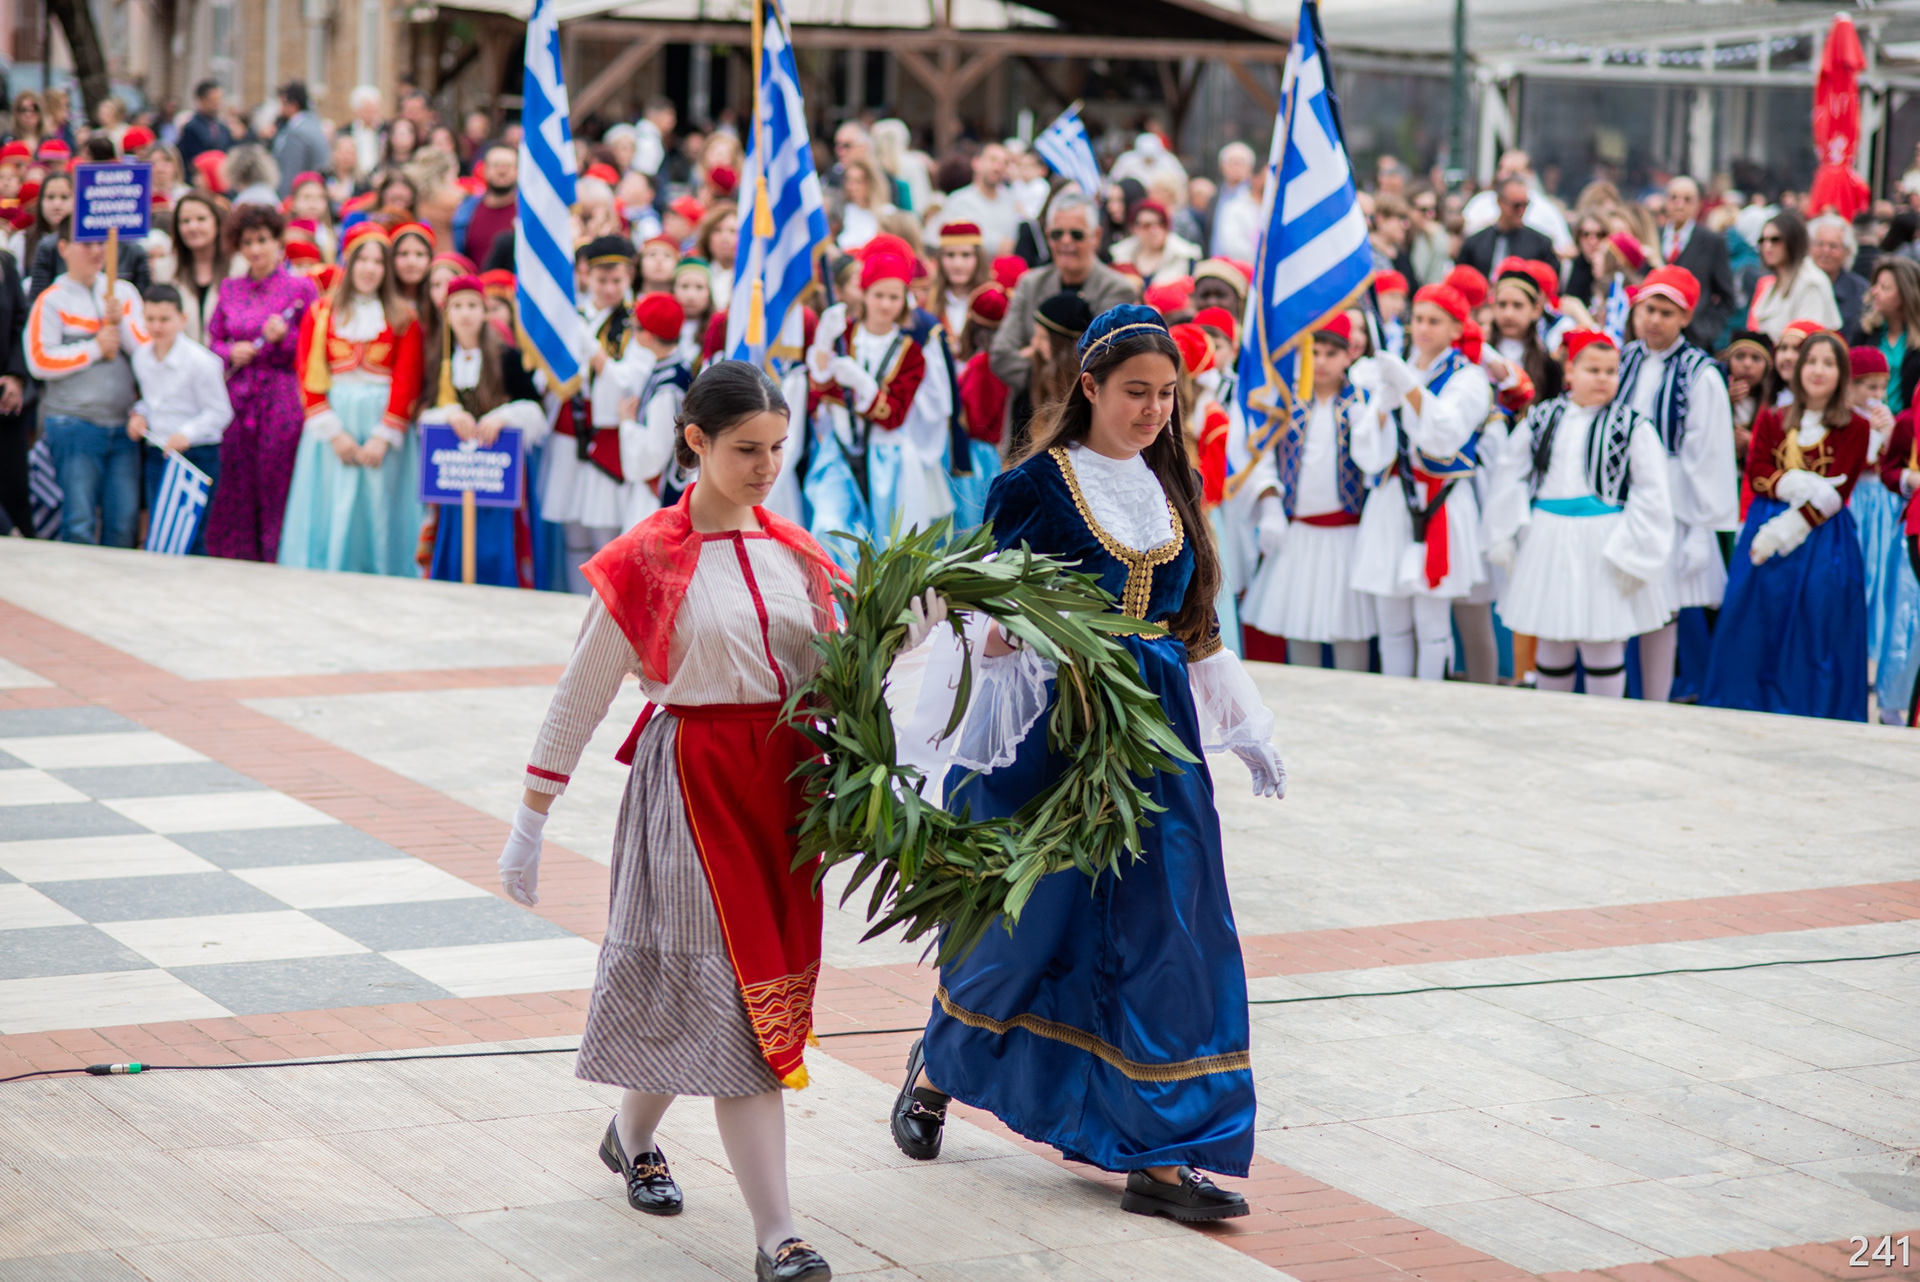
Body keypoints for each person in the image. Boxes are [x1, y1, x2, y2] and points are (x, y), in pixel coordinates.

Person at [888, 304, 1282, 1223]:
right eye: (1136, 392)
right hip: (1053, 733)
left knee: (1169, 935)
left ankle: (1162, 1153)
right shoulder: (1034, 485)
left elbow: (1193, 622)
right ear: (1090, 386)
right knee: (1026, 927)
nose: (1153, 411)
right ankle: (939, 1065)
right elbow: (987, 608)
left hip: (1155, 740)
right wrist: (1001, 639)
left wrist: (1246, 722)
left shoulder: (1172, 482)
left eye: (1167, 394)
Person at [501, 360, 842, 1282]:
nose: (767, 467)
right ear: (695, 440)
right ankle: (778, 1237)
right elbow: (581, 693)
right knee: (726, 997)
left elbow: (841, 674)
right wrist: (531, 819)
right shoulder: (646, 557)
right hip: (693, 784)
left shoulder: (797, 552)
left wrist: (927, 634)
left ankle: (629, 1133)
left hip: (784, 787)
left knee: (720, 994)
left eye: (778, 448)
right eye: (747, 450)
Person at [1482, 330, 1674, 697]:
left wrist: (1635, 551)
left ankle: (1605, 720)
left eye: (1611, 371)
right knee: (1552, 638)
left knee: (1603, 639)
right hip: (1548, 537)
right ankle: (1553, 719)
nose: (1603, 378)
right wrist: (1503, 533)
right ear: (1570, 371)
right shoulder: (1541, 418)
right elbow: (1509, 474)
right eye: (1593, 370)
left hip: (1606, 541)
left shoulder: (1632, 425)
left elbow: (1653, 493)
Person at [1702, 330, 1869, 721]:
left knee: (1818, 619)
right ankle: (1747, 700)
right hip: (1766, 523)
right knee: (1756, 616)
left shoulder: (1857, 427)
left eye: (1828, 364)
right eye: (1811, 361)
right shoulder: (1773, 418)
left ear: (1842, 373)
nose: (1817, 371)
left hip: (1823, 539)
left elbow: (1839, 491)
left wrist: (1786, 530)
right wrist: (1792, 482)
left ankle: (1814, 706)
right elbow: (1757, 470)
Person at [1349, 282, 1494, 680]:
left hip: (1439, 502)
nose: (1424, 328)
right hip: (1391, 500)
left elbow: (1444, 435)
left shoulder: (1470, 378)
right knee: (1391, 622)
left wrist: (1408, 387)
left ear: (1456, 328)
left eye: (1435, 321)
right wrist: (1383, 407)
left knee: (1432, 624)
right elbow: (1367, 452)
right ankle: (1394, 700)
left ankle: (1431, 702)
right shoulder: (1399, 370)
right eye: (1419, 319)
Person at [1612, 265, 1737, 704]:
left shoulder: (1699, 373)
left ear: (1685, 317)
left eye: (1666, 312)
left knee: (1661, 607)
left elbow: (1709, 455)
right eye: (1648, 309)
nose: (1654, 320)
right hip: (1622, 499)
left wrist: (1702, 529)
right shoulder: (1622, 359)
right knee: (1617, 599)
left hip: (1672, 504)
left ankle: (1655, 699)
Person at [278, 223, 426, 575]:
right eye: (363, 259)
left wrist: (384, 435)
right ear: (349, 261)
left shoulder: (403, 317)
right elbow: (307, 373)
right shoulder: (321, 313)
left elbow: (408, 378)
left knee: (380, 505)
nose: (370, 268)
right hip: (334, 422)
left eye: (378, 261)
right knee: (331, 500)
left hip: (381, 423)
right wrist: (333, 432)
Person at [1238, 312, 1377, 670]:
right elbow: (1262, 455)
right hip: (1298, 534)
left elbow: (1377, 462)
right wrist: (1270, 504)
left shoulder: (1363, 401)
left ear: (1349, 354)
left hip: (1349, 535)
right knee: (1298, 627)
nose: (1322, 362)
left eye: (1332, 353)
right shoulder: (1285, 402)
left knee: (1351, 634)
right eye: (1315, 353)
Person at [203, 203, 319, 563]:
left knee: (277, 481)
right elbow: (213, 340)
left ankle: (278, 557)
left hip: (281, 400)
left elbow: (314, 347)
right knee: (235, 482)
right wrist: (230, 351)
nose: (255, 249)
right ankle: (236, 559)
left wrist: (284, 338)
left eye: (263, 240)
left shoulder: (301, 288)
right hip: (237, 399)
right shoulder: (230, 288)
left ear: (278, 241)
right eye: (248, 242)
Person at [420, 274, 550, 586]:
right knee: (456, 543)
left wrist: (504, 416)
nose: (465, 314)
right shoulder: (439, 360)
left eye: (472, 306)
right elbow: (423, 411)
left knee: (496, 545)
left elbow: (535, 410)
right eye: (457, 307)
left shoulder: (507, 357)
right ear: (446, 314)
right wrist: (449, 415)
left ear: (484, 311)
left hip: (497, 470)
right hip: (457, 472)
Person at [802, 252, 934, 559]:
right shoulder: (844, 335)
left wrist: (863, 384)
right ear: (864, 293)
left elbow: (894, 415)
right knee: (829, 526)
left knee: (885, 544)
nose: (885, 304)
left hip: (887, 458)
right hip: (839, 449)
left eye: (894, 297)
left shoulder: (911, 354)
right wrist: (823, 342)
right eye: (878, 295)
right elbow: (820, 387)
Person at [28, 222, 150, 546]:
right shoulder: (51, 300)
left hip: (122, 426)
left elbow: (146, 353)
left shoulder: (124, 293)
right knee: (79, 522)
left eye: (101, 243)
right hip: (74, 424)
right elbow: (39, 361)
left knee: (122, 524)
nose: (97, 251)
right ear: (63, 248)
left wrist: (121, 322)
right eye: (87, 243)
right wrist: (94, 348)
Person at [543, 235, 647, 591]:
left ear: (630, 275)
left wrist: (592, 350)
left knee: (606, 527)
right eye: (602, 280)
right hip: (569, 425)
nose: (609, 288)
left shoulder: (634, 321)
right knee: (571, 525)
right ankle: (573, 599)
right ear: (586, 275)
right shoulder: (574, 314)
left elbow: (630, 380)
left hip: (608, 432)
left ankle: (605, 604)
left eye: (617, 280)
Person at [990, 193, 1140, 405]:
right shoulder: (1030, 284)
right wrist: (1059, 369)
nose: (1065, 241)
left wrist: (1035, 358)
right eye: (1057, 234)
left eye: (1076, 235)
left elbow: (1101, 364)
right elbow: (1000, 356)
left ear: (1096, 236)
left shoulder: (1117, 290)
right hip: (1028, 412)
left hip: (1085, 415)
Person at [129, 284, 234, 554]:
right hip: (158, 453)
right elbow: (150, 400)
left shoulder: (202, 362)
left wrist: (186, 434)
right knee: (161, 530)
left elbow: (221, 411)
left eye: (165, 319)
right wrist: (139, 415)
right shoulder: (141, 356)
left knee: (192, 535)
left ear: (182, 319)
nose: (157, 326)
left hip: (197, 455)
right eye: (151, 319)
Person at [1661, 177, 1738, 350]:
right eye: (1674, 198)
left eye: (1687, 199)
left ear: (1698, 204)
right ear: (1665, 202)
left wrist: (1708, 328)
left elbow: (1727, 296)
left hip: (1695, 339)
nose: (1679, 205)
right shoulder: (1654, 236)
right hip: (1657, 336)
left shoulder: (1711, 241)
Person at [1747, 211, 1841, 338]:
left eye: (1775, 240)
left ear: (1792, 241)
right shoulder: (1772, 282)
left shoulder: (1810, 282)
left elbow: (1806, 337)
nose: (1767, 246)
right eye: (1762, 240)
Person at [156, 193, 227, 342]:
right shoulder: (163, 270)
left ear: (217, 222)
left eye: (201, 219)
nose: (193, 227)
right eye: (185, 221)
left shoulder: (239, 267)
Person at [1458, 177, 1556, 277]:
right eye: (1516, 206)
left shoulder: (1541, 245)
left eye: (1525, 205)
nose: (1521, 211)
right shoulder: (1475, 243)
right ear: (1500, 202)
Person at [937, 142, 1021, 257]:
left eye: (1004, 163)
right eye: (993, 160)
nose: (998, 167)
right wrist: (1000, 245)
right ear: (976, 162)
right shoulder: (959, 201)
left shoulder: (1011, 200)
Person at [1860, 257, 1920, 412]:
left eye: (1884, 288)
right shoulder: (1865, 331)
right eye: (1875, 285)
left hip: (1906, 422)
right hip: (1867, 418)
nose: (1874, 292)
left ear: (1905, 295)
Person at [0, 245, 30, 537]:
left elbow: (21, 323)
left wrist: (16, 377)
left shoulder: (6, 263)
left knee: (14, 484)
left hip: (7, 399)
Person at [1110, 199, 1202, 287]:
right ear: (1135, 228)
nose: (1155, 230)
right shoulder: (1121, 255)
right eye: (1147, 225)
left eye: (1160, 224)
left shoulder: (1184, 255)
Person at [454, 143, 518, 267]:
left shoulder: (526, 214)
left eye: (509, 165)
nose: (502, 171)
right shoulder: (465, 210)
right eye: (495, 165)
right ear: (485, 170)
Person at [1721, 329, 1776, 467]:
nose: (1747, 364)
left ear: (1768, 366)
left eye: (1756, 358)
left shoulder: (1775, 403)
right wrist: (1723, 401)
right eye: (1739, 357)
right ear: (1728, 360)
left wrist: (1753, 443)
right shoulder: (1715, 394)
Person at [1809, 214, 1869, 339]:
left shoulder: (1860, 290)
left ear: (1847, 252)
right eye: (1820, 244)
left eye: (1833, 246)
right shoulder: (1800, 284)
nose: (1825, 251)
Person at [930, 221, 989, 338]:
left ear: (979, 258)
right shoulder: (927, 303)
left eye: (966, 255)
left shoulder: (991, 302)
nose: (957, 264)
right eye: (950, 255)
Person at [270, 82, 329, 197]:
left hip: (300, 196)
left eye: (282, 103)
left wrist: (283, 201)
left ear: (292, 105)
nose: (279, 109)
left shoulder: (297, 133)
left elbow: (290, 173)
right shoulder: (314, 125)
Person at [832, 155, 894, 252]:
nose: (851, 186)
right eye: (848, 180)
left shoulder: (887, 212)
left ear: (870, 183)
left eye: (858, 181)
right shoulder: (844, 212)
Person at [176, 80, 233, 171]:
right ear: (201, 100)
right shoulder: (191, 127)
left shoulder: (223, 127)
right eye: (213, 100)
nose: (217, 103)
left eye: (219, 99)